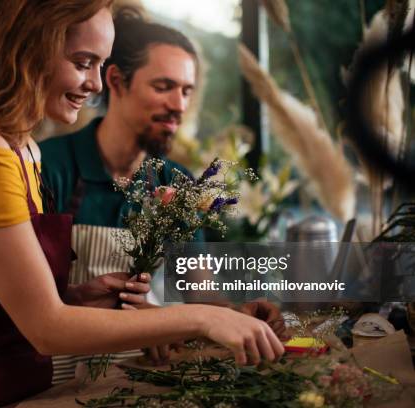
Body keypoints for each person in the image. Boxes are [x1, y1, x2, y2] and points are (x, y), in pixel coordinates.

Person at [0, 1, 284, 407]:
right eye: (83, 62)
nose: (95, 84)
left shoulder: (22, 150)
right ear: (27, 51)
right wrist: (202, 318)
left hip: (6, 380)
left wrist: (75, 297)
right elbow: (46, 328)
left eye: (98, 64)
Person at [39, 9, 286, 382]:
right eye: (163, 87)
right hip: (49, 373)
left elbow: (199, 294)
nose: (179, 105)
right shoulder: (51, 166)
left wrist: (238, 312)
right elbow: (28, 302)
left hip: (132, 374)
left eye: (186, 90)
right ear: (117, 81)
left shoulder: (175, 183)